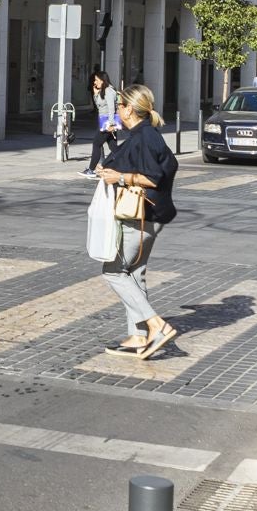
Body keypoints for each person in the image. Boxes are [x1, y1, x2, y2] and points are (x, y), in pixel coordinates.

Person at [92, 81, 179, 361]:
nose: (116, 110)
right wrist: (106, 169)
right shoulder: (144, 134)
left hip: (141, 217)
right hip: (151, 217)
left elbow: (151, 177)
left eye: (119, 106)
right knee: (135, 273)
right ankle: (138, 337)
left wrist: (118, 177)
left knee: (114, 271)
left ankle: (157, 326)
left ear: (129, 109)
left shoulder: (145, 138)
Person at [89, 68, 121, 168]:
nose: (95, 82)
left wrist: (111, 124)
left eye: (96, 80)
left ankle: (91, 169)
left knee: (96, 143)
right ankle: (125, 165)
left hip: (107, 122)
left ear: (103, 80)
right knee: (113, 147)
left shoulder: (109, 91)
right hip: (104, 120)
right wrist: (95, 94)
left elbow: (111, 108)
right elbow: (99, 106)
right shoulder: (102, 91)